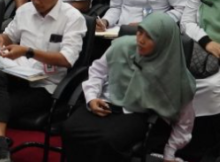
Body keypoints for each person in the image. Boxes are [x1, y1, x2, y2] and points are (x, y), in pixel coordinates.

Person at [0, 0, 87, 162]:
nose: (36, 1)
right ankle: (1, 147)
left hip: (46, 86)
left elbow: (67, 59)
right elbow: (8, 36)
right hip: (18, 75)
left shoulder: (73, 18)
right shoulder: (25, 11)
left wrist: (28, 52)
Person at [62, 12, 195, 162]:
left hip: (137, 112)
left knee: (108, 141)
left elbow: (185, 121)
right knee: (70, 128)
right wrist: (91, 98)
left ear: (163, 42)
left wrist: (170, 152)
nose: (141, 40)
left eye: (149, 37)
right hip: (105, 102)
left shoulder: (174, 72)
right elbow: (97, 72)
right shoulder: (122, 47)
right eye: (140, 32)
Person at [180, 0, 220, 146]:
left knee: (213, 87)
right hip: (199, 49)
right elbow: (186, 22)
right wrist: (207, 42)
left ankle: (208, 140)